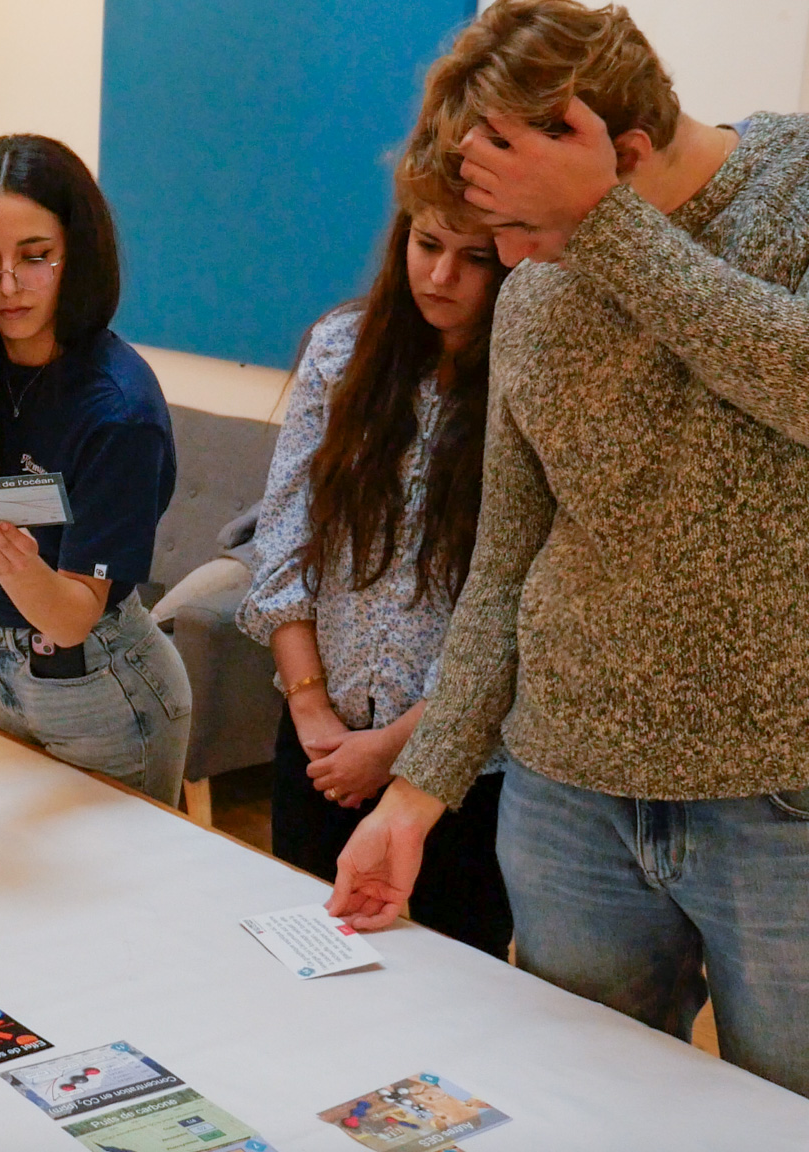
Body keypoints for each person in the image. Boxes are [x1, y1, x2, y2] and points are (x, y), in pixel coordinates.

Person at [328, 0, 809, 1096]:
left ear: (621, 155)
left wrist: (604, 230)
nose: (504, 261)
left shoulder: (792, 184)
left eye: (521, 225)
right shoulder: (536, 282)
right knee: (578, 1109)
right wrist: (415, 794)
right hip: (565, 800)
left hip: (779, 804)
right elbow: (504, 567)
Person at [239, 158, 512, 957]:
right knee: (308, 962)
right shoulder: (340, 350)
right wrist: (313, 712)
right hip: (319, 746)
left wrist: (392, 750)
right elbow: (284, 546)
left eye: (475, 258)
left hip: (458, 773)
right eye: (426, 245)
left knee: (448, 987)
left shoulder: (528, 378)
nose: (440, 274)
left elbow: (510, 609)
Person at [0, 135, 192, 806]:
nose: (9, 287)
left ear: (76, 253)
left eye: (35, 258)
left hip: (102, 689)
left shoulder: (117, 411)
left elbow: (76, 616)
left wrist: (15, 565)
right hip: (2, 665)